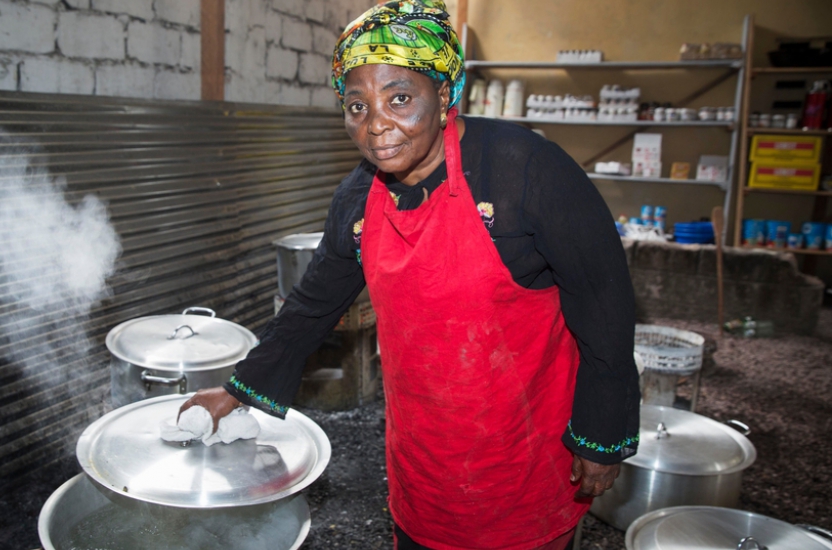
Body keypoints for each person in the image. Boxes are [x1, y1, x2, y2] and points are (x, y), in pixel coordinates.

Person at [181, 1, 640, 548]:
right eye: (356, 106)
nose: (376, 125)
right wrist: (238, 391)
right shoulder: (358, 197)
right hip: (424, 459)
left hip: (523, 454)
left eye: (399, 98)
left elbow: (604, 307)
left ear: (443, 95)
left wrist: (600, 436)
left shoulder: (525, 170)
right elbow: (311, 306)